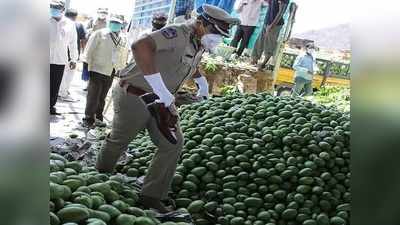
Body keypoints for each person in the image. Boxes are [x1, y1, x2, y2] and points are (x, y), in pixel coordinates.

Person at [96, 4, 239, 213]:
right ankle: (99, 178)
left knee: (173, 143)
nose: (217, 38)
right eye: (215, 32)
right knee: (120, 140)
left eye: (221, 35)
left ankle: (151, 196)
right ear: (201, 23)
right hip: (135, 94)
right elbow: (140, 46)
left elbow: (189, 65)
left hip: (161, 100)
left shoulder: (198, 42)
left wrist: (202, 83)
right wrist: (159, 88)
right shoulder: (177, 33)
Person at [81, 14, 129, 128]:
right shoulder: (100, 33)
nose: (115, 25)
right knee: (93, 95)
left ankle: (98, 117)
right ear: (109, 23)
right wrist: (85, 66)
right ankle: (88, 118)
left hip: (111, 70)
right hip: (97, 68)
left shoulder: (123, 38)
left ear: (121, 25)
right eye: (113, 22)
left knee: (103, 95)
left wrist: (121, 69)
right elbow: (89, 50)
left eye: (117, 23)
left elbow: (123, 54)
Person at [49, 0, 78, 115]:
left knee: (55, 84)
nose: (53, 9)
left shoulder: (70, 24)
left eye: (56, 7)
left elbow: (73, 43)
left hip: (60, 60)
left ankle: (50, 106)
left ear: (62, 10)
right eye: (51, 7)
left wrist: (73, 59)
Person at [58, 8, 87, 102]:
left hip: (60, 54)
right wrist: (82, 53)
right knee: (68, 75)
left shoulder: (59, 23)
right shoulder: (78, 25)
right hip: (71, 55)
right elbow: (83, 40)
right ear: (75, 17)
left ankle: (60, 91)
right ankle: (63, 93)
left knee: (60, 74)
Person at [251, 0, 288, 69]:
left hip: (275, 25)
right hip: (267, 21)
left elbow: (281, 12)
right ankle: (254, 60)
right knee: (259, 42)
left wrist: (272, 25)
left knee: (269, 44)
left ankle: (263, 64)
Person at [82, 8, 109, 88]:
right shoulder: (92, 21)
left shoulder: (108, 23)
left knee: (96, 66)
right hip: (91, 45)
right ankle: (86, 83)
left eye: (105, 12)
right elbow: (86, 31)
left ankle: (91, 84)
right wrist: (90, 31)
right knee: (88, 64)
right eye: (101, 12)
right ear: (98, 12)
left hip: (102, 47)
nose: (103, 14)